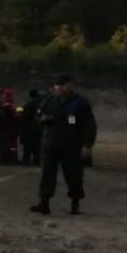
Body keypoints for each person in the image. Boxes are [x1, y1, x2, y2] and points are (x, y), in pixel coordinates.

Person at [30, 75, 97, 216]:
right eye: (57, 85)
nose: (59, 88)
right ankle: (44, 203)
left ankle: (75, 203)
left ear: (70, 85)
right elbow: (38, 116)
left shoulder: (80, 102)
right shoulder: (50, 100)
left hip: (71, 144)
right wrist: (43, 119)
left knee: (74, 175)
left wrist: (87, 145)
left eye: (62, 85)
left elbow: (89, 125)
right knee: (47, 173)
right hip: (51, 143)